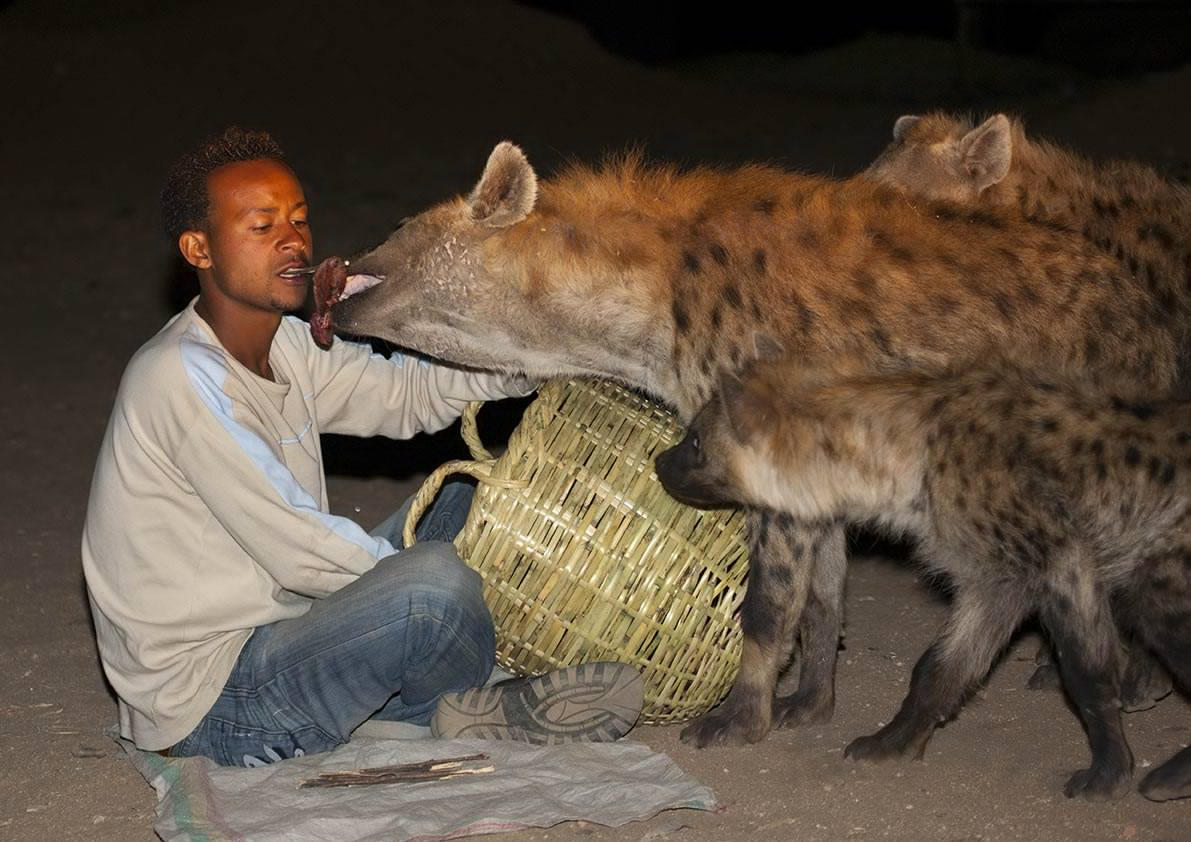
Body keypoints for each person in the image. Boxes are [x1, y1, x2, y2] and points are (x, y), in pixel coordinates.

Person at [81, 127, 643, 767]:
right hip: (216, 701)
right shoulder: (179, 377)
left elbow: (408, 395)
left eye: (298, 219)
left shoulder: (286, 345)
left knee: (474, 491)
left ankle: (422, 701)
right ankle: (464, 698)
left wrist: (529, 364)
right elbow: (299, 548)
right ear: (198, 248)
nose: (293, 240)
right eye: (262, 226)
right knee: (435, 587)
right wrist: (427, 583)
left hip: (284, 631)